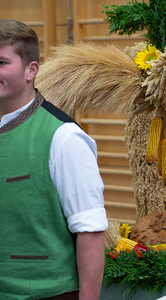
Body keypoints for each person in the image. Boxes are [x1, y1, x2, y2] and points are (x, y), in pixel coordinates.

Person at [0, 19, 108, 300]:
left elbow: (91, 232)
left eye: (1, 62)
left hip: (47, 294)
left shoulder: (64, 138)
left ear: (31, 70)